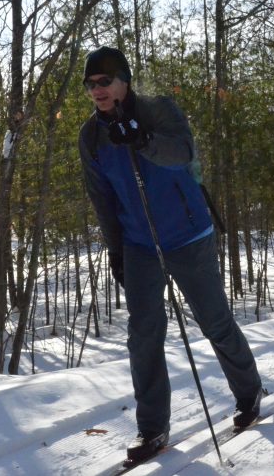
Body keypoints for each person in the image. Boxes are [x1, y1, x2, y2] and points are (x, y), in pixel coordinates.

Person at [78, 46, 263, 463]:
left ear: (123, 80)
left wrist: (142, 139)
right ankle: (152, 428)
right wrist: (117, 252)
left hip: (188, 234)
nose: (97, 91)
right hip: (139, 243)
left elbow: (182, 154)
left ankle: (249, 393)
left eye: (104, 81)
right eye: (90, 85)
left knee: (214, 320)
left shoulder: (159, 110)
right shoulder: (91, 136)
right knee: (143, 335)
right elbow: (102, 199)